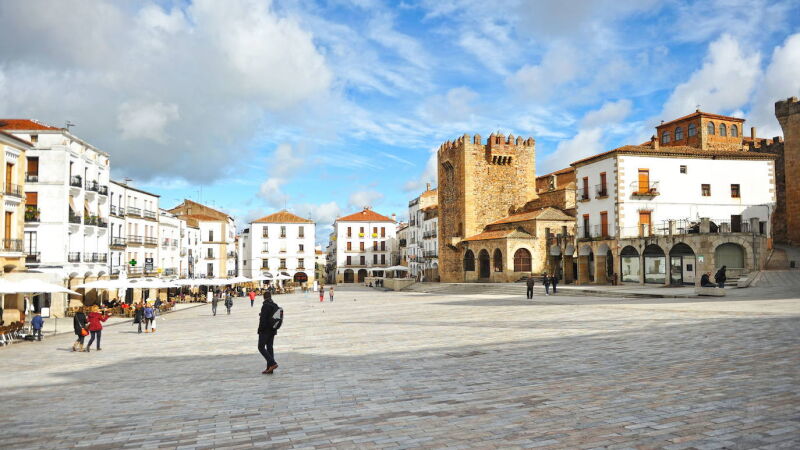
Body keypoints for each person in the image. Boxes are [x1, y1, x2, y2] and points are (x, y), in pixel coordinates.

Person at [257, 292, 281, 374]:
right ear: (270, 296)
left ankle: (273, 363)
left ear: (264, 297)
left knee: (261, 347)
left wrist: (260, 330)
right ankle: (270, 368)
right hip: (273, 330)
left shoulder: (265, 306)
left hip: (265, 330)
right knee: (269, 348)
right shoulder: (274, 305)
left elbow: (263, 320)